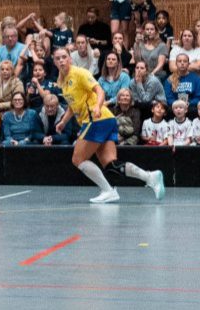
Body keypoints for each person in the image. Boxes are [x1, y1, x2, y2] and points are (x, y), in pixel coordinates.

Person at [52, 45, 164, 204]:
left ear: (70, 58)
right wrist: (63, 121)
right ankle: (150, 177)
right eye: (58, 58)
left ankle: (108, 191)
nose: (61, 60)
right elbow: (72, 104)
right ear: (54, 61)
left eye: (64, 57)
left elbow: (100, 91)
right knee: (111, 164)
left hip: (97, 119)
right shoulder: (61, 80)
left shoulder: (80, 73)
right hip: (105, 121)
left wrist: (98, 106)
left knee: (78, 159)